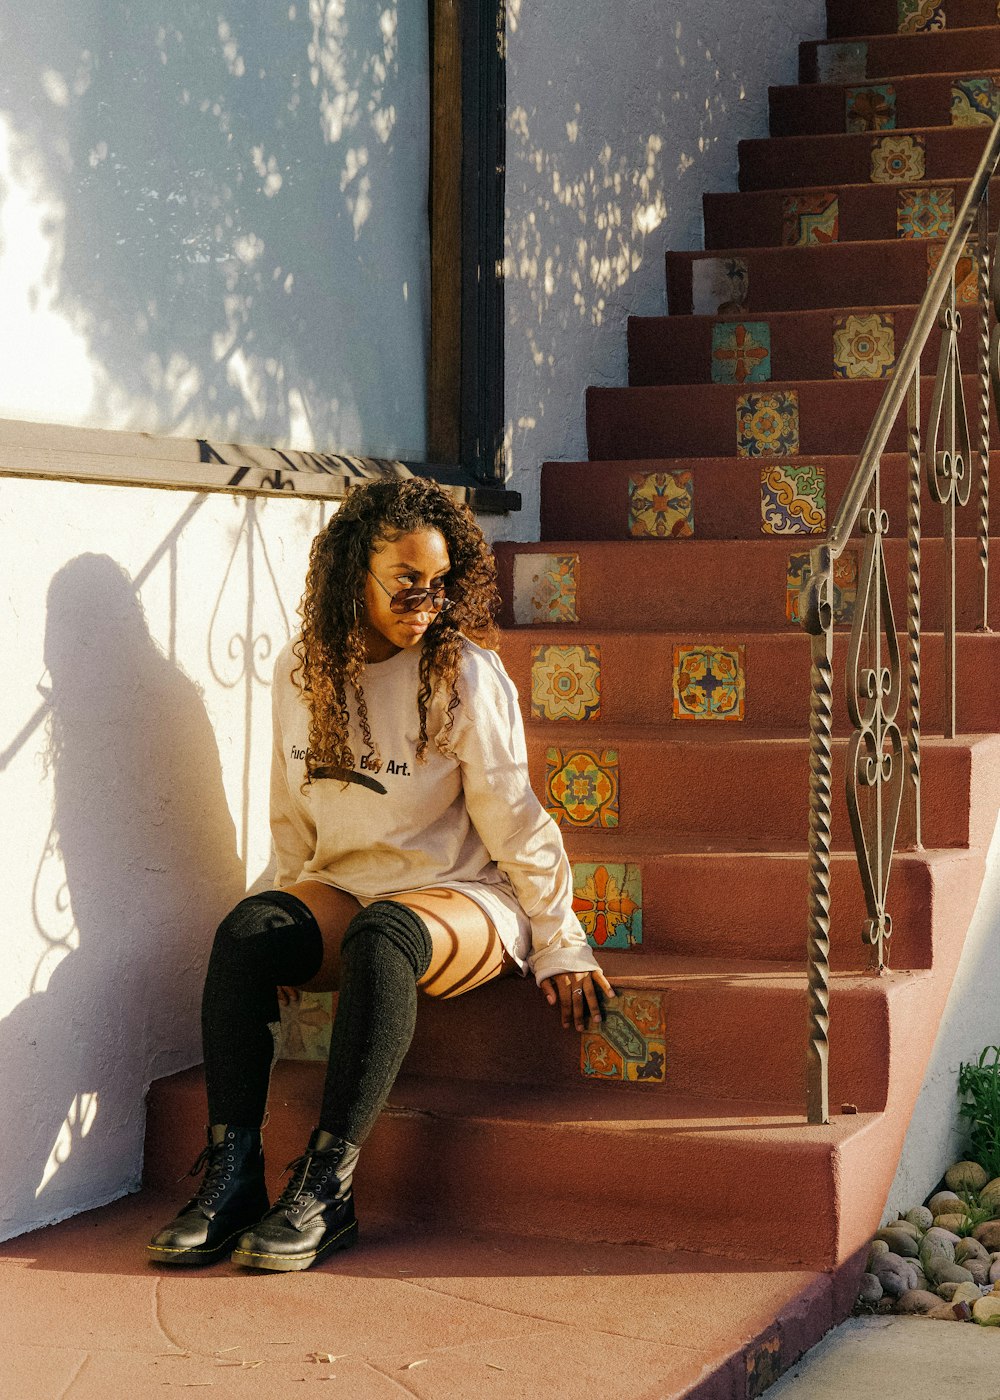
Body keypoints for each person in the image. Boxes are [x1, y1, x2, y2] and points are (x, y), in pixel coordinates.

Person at [147, 477, 613, 1273]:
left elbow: (517, 817)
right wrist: (287, 914)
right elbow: (290, 815)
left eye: (439, 584)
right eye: (406, 582)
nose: (426, 601)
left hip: (464, 897)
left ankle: (327, 1188)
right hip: (347, 888)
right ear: (351, 576)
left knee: (383, 933)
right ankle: (234, 1176)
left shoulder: (461, 674)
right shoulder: (304, 669)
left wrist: (562, 939)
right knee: (248, 930)